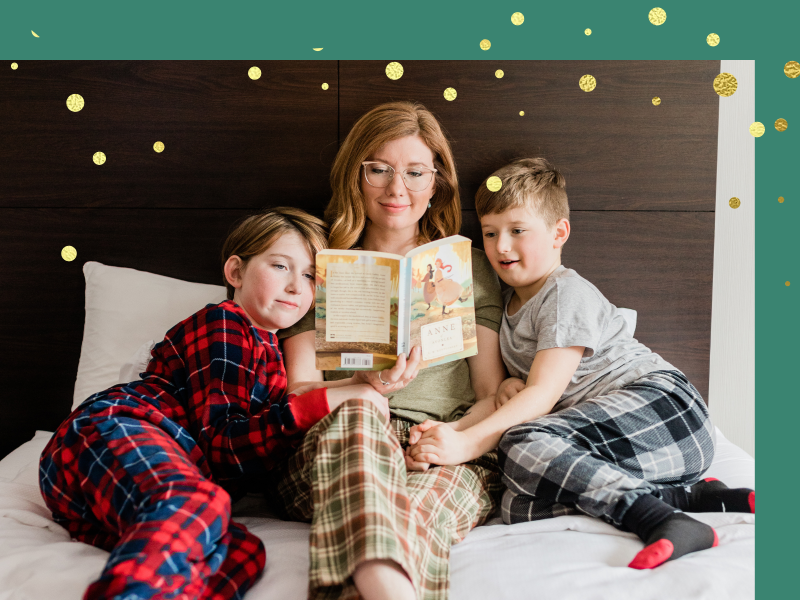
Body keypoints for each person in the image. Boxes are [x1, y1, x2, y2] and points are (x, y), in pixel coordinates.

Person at [407, 157, 756, 570]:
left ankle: (661, 518)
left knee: (520, 443)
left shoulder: (565, 292)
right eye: (490, 232)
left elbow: (542, 394)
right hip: (629, 442)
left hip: (667, 410)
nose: (501, 245)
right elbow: (516, 392)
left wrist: (468, 443)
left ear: (559, 232)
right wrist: (450, 430)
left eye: (518, 231)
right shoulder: (503, 307)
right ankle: (697, 498)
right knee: (519, 504)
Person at [39, 207, 390, 600]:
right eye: (280, 266)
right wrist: (330, 399)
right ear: (236, 272)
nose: (296, 286)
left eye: (310, 275)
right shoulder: (225, 323)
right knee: (193, 503)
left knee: (242, 552)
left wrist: (355, 386)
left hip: (110, 491)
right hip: (118, 428)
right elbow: (224, 445)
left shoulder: (273, 351)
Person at [275, 101, 507, 600]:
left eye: (415, 172)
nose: (396, 189)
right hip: (335, 444)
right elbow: (297, 391)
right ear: (355, 175)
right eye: (378, 169)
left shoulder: (467, 267)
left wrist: (449, 439)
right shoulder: (316, 265)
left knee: (416, 515)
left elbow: (491, 394)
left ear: (436, 182)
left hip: (444, 451)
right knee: (360, 411)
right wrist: (367, 386)